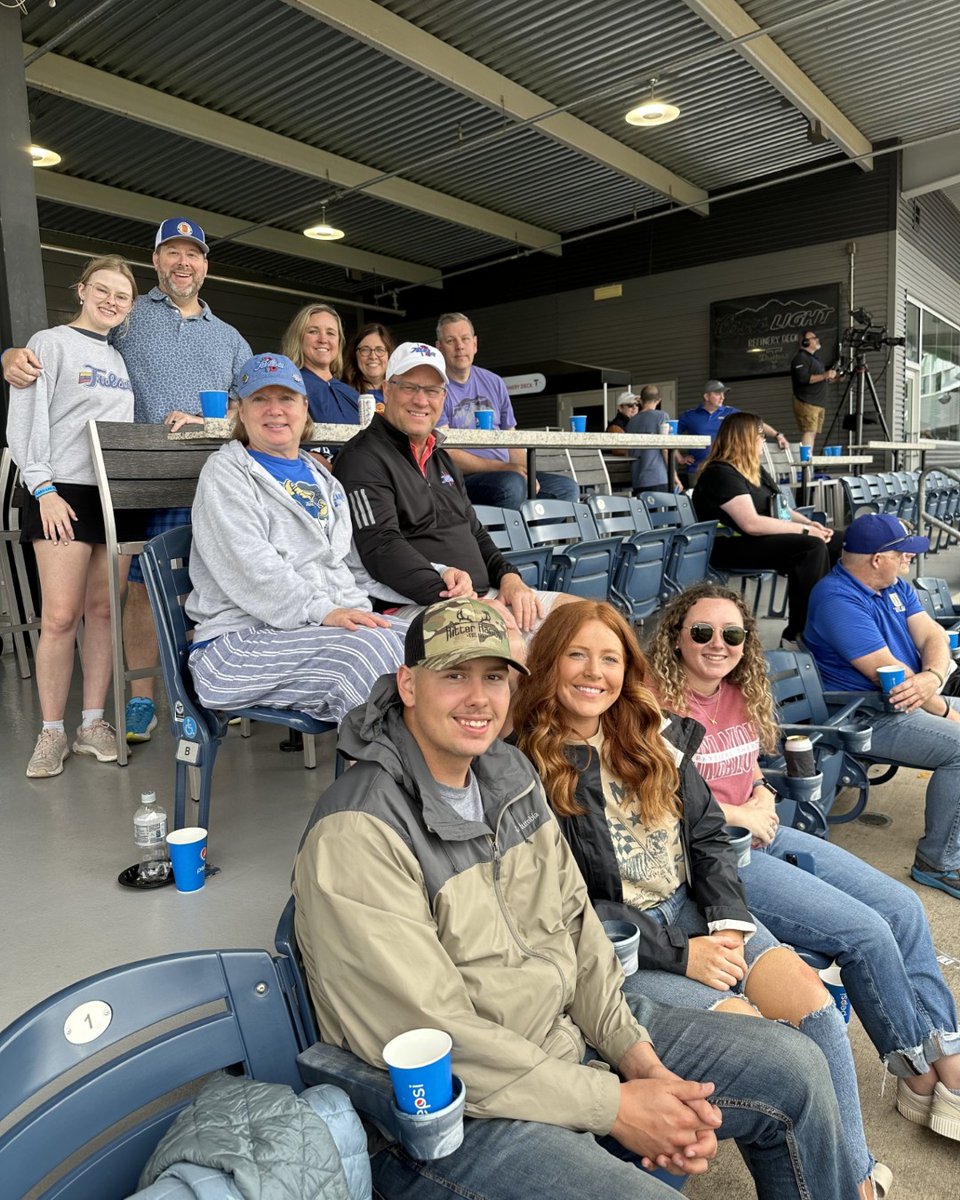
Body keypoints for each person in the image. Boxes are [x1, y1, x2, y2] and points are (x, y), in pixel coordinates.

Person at [293, 597, 861, 1200]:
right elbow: (435, 1034)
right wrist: (616, 1105)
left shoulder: (506, 775)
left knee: (795, 1068)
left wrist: (638, 1059)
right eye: (453, 674)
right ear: (408, 683)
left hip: (569, 1036)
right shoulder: (359, 830)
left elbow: (580, 928)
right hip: (456, 1113)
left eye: (493, 676)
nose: (478, 698)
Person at [512, 599, 881, 1197]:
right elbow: (562, 902)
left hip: (696, 910)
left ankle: (854, 1178)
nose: (593, 672)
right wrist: (683, 955)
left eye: (609, 658)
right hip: (626, 947)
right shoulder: (522, 765)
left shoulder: (652, 734)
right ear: (548, 663)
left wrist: (729, 924)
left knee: (816, 1013)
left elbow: (709, 836)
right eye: (576, 655)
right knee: (771, 1046)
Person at [651, 580, 960, 1144]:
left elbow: (752, 770)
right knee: (867, 932)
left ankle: (946, 1058)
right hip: (717, 860)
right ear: (675, 637)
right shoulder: (653, 702)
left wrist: (762, 797)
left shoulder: (740, 689)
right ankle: (920, 1072)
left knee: (904, 906)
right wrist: (741, 814)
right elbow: (652, 798)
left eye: (732, 633)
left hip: (766, 834)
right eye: (701, 632)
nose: (717, 644)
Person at [3, 217, 253, 744]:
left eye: (195, 254)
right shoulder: (130, 317)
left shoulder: (230, 338)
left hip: (207, 479)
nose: (184, 263)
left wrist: (209, 419)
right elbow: (72, 345)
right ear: (157, 260)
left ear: (206, 265)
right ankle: (140, 701)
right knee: (137, 591)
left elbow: (247, 404)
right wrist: (11, 355)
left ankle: (210, 691)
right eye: (173, 253)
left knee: (210, 586)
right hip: (130, 480)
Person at [185, 352, 409, 723]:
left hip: (311, 628)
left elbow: (355, 567)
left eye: (286, 398)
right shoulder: (226, 473)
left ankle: (446, 773)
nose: (274, 410)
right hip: (235, 646)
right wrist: (327, 612)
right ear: (241, 411)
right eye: (260, 399)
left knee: (437, 640)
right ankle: (380, 780)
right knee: (369, 651)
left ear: (305, 407)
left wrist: (439, 590)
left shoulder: (324, 480)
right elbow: (253, 570)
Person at [6, 256, 139, 777]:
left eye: (121, 296)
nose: (111, 300)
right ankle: (51, 732)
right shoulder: (49, 342)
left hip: (111, 495)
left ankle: (92, 724)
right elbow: (25, 421)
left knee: (104, 614)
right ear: (82, 290)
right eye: (102, 290)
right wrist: (43, 488)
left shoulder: (120, 359)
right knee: (60, 616)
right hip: (61, 492)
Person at [333, 341, 567, 633]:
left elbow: (474, 531)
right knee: (526, 650)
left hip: (485, 596)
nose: (421, 400)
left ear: (443, 398)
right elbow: (381, 549)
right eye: (409, 387)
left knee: (587, 618)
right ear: (387, 390)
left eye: (432, 390)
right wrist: (464, 602)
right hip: (419, 606)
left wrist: (509, 577)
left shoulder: (441, 458)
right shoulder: (362, 458)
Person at [805, 512, 960, 902]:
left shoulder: (894, 586)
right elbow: (890, 675)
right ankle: (938, 862)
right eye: (903, 554)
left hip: (911, 701)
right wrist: (944, 709)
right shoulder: (836, 598)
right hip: (867, 714)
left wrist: (933, 679)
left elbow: (934, 636)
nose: (909, 560)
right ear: (877, 558)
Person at [692, 411, 841, 647]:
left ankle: (835, 618)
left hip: (755, 540)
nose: (764, 440)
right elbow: (751, 523)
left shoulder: (753, 469)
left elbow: (778, 507)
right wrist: (804, 532)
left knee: (838, 541)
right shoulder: (720, 473)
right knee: (810, 547)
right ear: (744, 437)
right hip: (727, 546)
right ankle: (799, 633)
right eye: (760, 435)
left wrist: (808, 523)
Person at [435, 312, 579, 509]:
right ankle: (504, 539)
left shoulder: (494, 382)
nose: (460, 346)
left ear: (475, 344)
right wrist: (505, 468)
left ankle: (531, 538)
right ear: (439, 347)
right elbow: (446, 452)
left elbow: (511, 439)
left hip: (506, 472)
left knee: (566, 488)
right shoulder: (435, 387)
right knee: (512, 484)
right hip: (462, 478)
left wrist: (527, 472)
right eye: (451, 340)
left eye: (465, 339)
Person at [675, 381, 786, 488]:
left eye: (723, 394)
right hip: (697, 470)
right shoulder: (689, 416)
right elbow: (670, 435)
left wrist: (778, 435)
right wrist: (679, 458)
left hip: (726, 469)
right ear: (706, 396)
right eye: (718, 394)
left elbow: (755, 424)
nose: (722, 397)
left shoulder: (731, 412)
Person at [281, 303, 359, 425]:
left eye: (330, 333)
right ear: (298, 338)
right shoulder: (289, 388)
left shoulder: (352, 395)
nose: (323, 339)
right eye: (313, 331)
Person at [791, 330, 838, 450]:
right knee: (809, 431)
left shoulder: (815, 359)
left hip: (817, 402)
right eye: (813, 338)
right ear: (805, 342)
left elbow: (821, 379)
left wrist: (835, 377)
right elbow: (803, 379)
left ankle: (808, 463)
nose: (817, 339)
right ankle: (806, 465)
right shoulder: (800, 358)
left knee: (813, 433)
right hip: (806, 401)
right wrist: (825, 375)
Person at [624, 386, 673, 493]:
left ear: (641, 400)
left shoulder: (632, 422)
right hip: (658, 477)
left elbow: (628, 451)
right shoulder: (661, 416)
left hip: (637, 479)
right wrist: (674, 476)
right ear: (659, 400)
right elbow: (664, 449)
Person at [342, 322, 395, 403]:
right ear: (354, 355)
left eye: (380, 350)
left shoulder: (400, 392)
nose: (373, 356)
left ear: (389, 355)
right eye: (365, 350)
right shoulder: (343, 393)